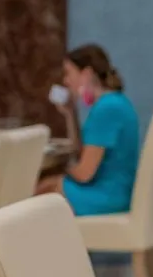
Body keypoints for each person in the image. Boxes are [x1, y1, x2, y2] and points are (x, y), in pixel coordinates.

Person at [36, 44, 139, 215]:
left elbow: (84, 173)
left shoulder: (106, 109)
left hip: (108, 197)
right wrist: (70, 113)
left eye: (68, 73)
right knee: (49, 185)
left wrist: (61, 168)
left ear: (86, 74)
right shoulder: (114, 102)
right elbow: (82, 152)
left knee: (44, 188)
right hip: (116, 193)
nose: (65, 81)